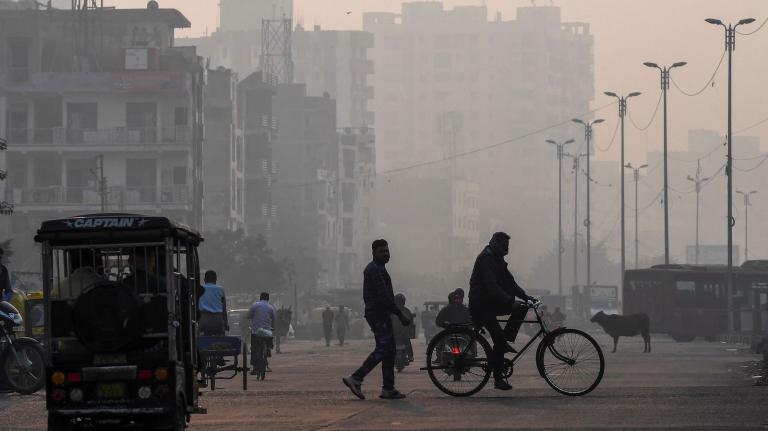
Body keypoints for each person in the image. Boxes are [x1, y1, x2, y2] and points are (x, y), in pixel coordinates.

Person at [343, 239, 411, 400]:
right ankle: (356, 378)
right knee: (383, 348)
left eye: (387, 251)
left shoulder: (378, 268)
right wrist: (400, 314)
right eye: (382, 251)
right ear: (373, 253)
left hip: (380, 314)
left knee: (390, 351)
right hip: (378, 314)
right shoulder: (375, 270)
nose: (386, 254)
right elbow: (385, 297)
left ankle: (388, 388)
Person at [468, 232, 536, 391]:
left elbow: (510, 283)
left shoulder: (497, 259)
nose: (506, 249)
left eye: (507, 246)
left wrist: (526, 297)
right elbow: (492, 286)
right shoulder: (486, 259)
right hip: (481, 305)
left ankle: (505, 341)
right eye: (504, 245)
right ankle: (498, 378)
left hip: (489, 304)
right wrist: (509, 301)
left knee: (522, 307)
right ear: (494, 243)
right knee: (498, 340)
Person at [198, 270, 228, 336]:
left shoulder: (200, 288)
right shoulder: (221, 289)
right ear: (215, 280)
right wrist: (226, 323)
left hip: (203, 319)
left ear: (204, 279)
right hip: (218, 319)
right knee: (220, 340)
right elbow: (224, 308)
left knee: (199, 339)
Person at [391, 293, 414, 362]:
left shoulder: (391, 310)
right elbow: (411, 323)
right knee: (408, 342)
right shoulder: (407, 310)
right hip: (401, 333)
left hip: (396, 333)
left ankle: (410, 356)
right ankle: (410, 356)